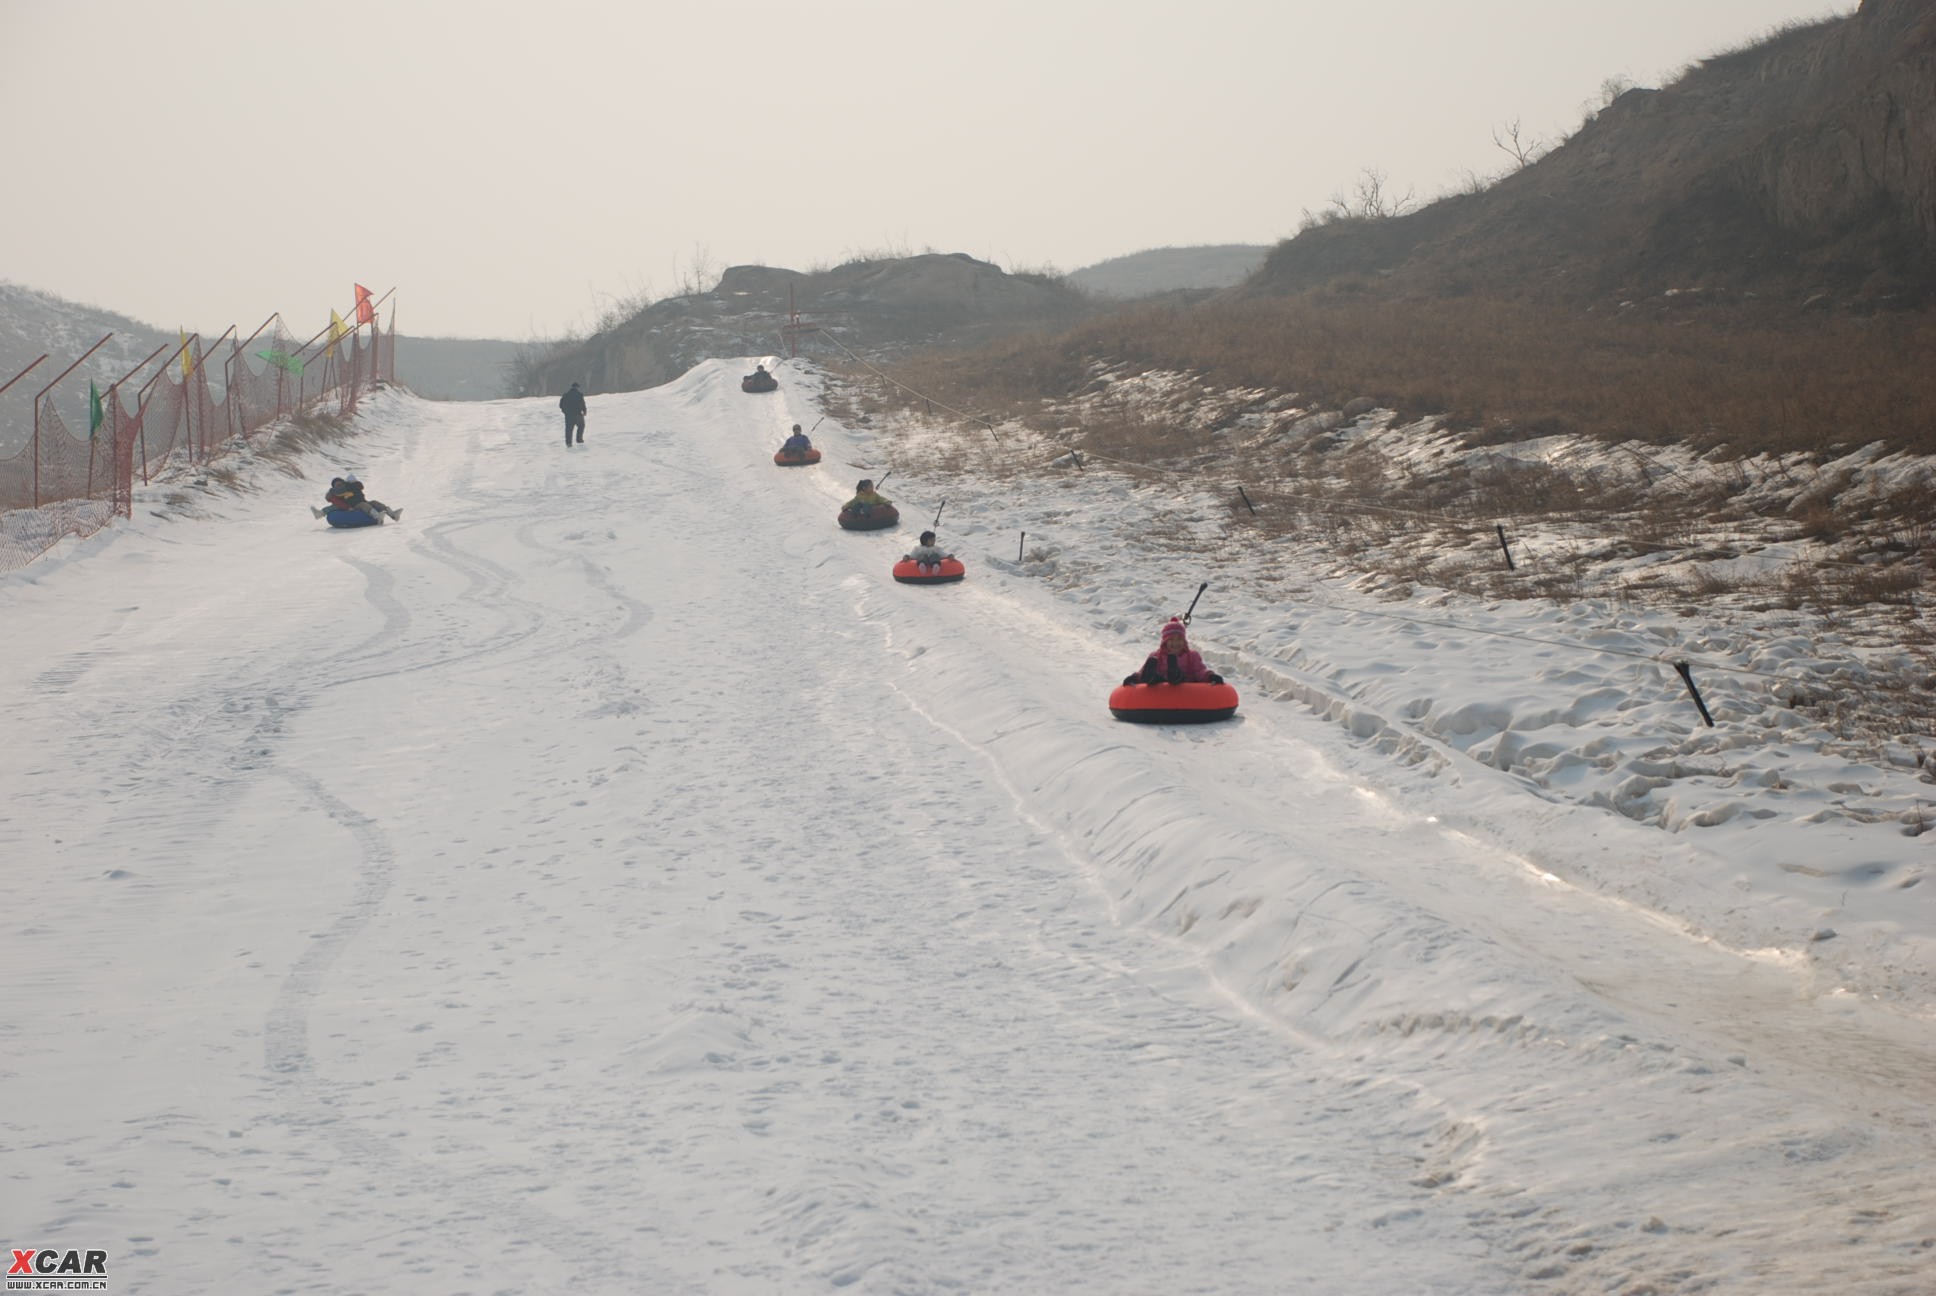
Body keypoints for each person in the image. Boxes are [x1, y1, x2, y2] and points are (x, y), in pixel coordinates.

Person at [1124, 617, 1222, 686]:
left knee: (1179, 675)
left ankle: (1174, 672)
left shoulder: (1192, 656)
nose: (1176, 643)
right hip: (1160, 687)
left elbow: (1200, 671)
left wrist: (1210, 676)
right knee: (1154, 672)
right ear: (1165, 642)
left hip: (1182, 685)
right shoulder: (1156, 656)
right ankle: (1151, 678)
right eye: (1171, 639)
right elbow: (1141, 671)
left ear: (1184, 641)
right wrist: (1135, 677)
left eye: (1179, 639)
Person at [315, 475, 401, 521]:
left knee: (375, 502)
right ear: (334, 486)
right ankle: (377, 517)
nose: (339, 485)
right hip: (355, 505)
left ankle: (393, 514)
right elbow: (335, 500)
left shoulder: (349, 487)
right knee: (363, 505)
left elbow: (359, 486)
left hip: (361, 502)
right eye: (336, 484)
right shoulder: (335, 492)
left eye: (340, 483)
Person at [560, 381, 587, 447]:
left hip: (569, 416)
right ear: (577, 387)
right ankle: (579, 439)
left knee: (569, 429)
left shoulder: (566, 395)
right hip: (578, 414)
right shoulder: (579, 395)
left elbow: (561, 405)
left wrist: (565, 412)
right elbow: (582, 404)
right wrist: (584, 411)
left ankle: (569, 443)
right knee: (581, 426)